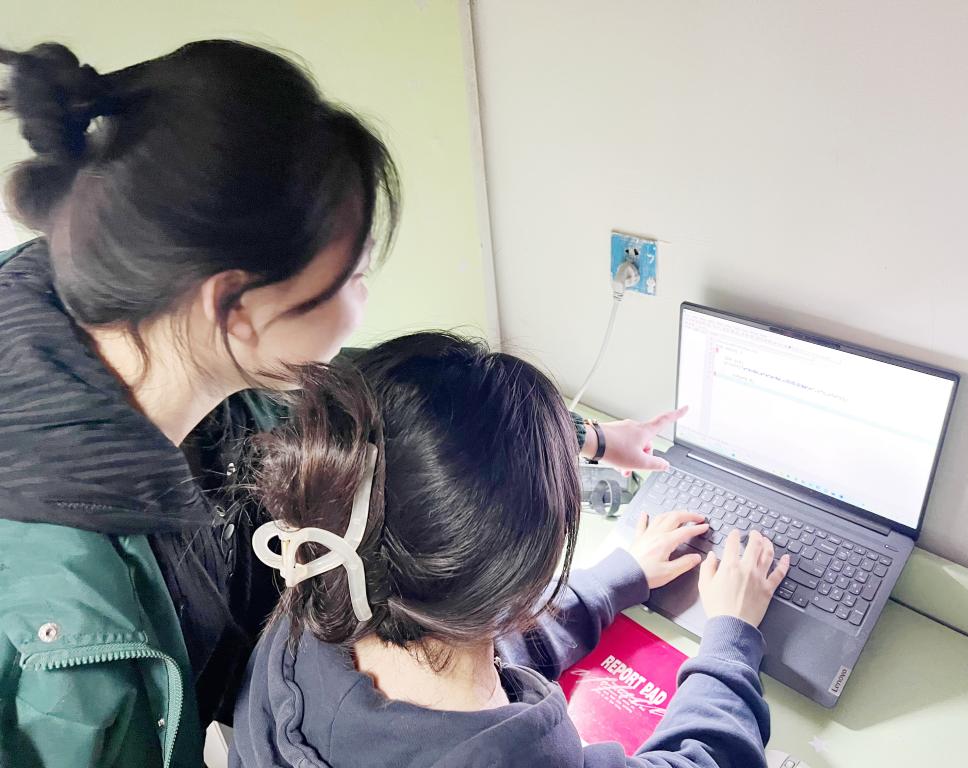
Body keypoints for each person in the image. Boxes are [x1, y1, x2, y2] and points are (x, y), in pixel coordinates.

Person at [0, 40, 684, 767]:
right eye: (351, 278)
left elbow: (403, 413)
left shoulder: (143, 321)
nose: (361, 304)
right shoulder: (55, 633)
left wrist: (583, 438)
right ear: (236, 306)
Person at [231, 332, 791, 768]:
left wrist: (619, 578)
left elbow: (466, 643)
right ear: (523, 575)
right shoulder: (519, 755)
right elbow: (711, 759)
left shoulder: (318, 594)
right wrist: (732, 636)